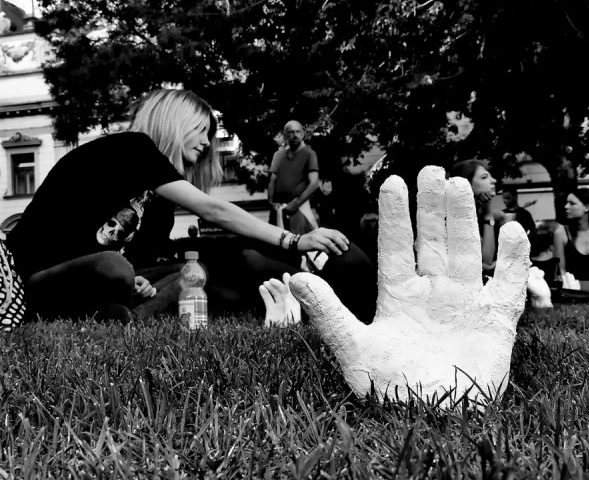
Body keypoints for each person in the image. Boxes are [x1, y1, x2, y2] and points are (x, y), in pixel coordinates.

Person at [7, 89, 349, 323]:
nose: (206, 143)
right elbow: (212, 210)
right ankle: (124, 312)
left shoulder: (159, 201)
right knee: (113, 266)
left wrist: (140, 281)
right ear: (174, 121)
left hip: (107, 284)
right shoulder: (130, 148)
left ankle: (131, 317)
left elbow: (145, 262)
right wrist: (293, 240)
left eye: (209, 136)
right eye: (200, 130)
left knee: (192, 271)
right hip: (40, 280)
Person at [449, 160, 512, 276]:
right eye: (484, 177)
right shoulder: (456, 220)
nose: (494, 180)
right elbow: (487, 260)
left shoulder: (496, 216)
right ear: (467, 185)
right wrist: (488, 214)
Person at [268, 121, 320, 234]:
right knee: (275, 239)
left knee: (301, 239)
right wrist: (271, 202)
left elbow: (314, 184)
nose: (295, 135)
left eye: (298, 132)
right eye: (291, 132)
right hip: (279, 208)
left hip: (299, 207)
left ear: (302, 134)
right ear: (285, 135)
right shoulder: (278, 155)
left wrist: (296, 204)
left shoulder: (309, 154)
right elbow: (272, 181)